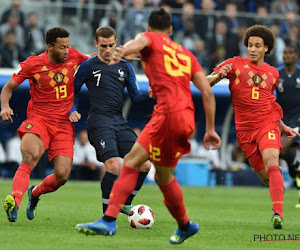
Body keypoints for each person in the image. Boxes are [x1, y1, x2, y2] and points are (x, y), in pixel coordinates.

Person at [75, 8, 221, 244]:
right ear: (171, 30)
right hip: (186, 119)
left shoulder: (149, 39)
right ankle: (185, 224)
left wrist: (124, 50)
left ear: (151, 28)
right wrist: (211, 129)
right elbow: (207, 91)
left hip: (165, 115)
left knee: (131, 162)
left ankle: (108, 220)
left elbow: (139, 41)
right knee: (163, 177)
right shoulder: (186, 54)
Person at [207, 25, 300, 229]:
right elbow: (204, 83)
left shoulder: (273, 73)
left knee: (271, 160)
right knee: (268, 179)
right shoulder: (234, 64)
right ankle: (278, 192)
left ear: (266, 48)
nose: (252, 49)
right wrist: (218, 76)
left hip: (267, 125)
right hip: (244, 131)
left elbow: (270, 103)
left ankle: (278, 215)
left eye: (257, 46)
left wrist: (282, 126)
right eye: (250, 45)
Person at [0, 27, 93, 223]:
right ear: (49, 46)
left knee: (62, 174)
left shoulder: (74, 55)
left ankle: (35, 192)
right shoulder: (32, 64)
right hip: (39, 119)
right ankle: (14, 201)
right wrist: (5, 106)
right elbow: (8, 88)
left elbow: (92, 59)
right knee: (29, 156)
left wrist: (116, 54)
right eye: (62, 47)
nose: (67, 51)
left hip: (63, 124)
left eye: (67, 46)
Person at [69, 26, 152, 215]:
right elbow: (72, 91)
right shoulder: (88, 66)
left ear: (116, 44)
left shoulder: (125, 67)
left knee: (145, 163)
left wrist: (148, 95)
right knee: (114, 164)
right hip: (98, 121)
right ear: (96, 44)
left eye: (111, 45)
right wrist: (72, 109)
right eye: (103, 46)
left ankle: (125, 203)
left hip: (119, 121)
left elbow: (136, 97)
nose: (107, 50)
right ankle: (107, 217)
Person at [276, 45, 300, 207]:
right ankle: (297, 176)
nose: (287, 55)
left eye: (290, 53)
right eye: (285, 53)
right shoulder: (277, 74)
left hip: (298, 120)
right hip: (283, 120)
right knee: (288, 157)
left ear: (296, 56)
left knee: (280, 148)